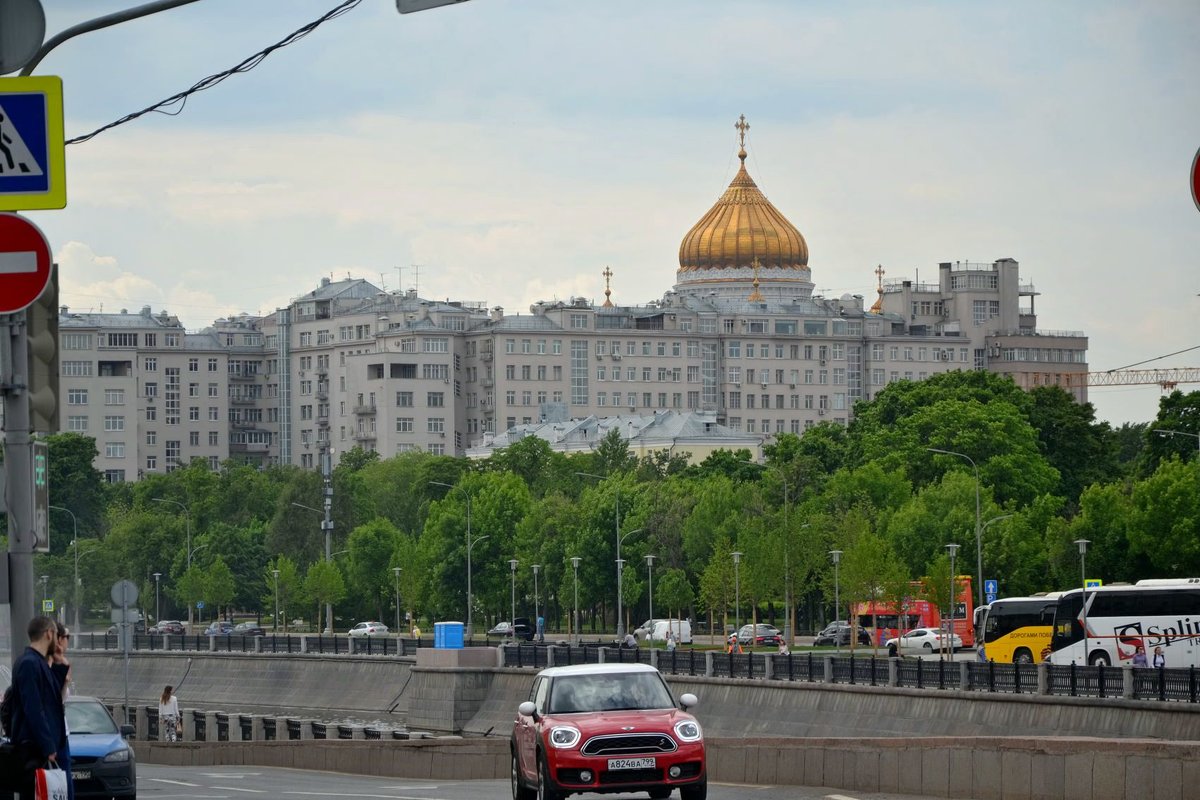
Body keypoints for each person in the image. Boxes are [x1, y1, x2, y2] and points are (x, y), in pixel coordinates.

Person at [8, 616, 68, 799]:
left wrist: (60, 664)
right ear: (49, 634)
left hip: (39, 749)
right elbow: (33, 708)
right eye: (56, 634)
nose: (58, 640)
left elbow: (52, 698)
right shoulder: (29, 664)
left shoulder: (38, 662)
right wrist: (48, 746)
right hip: (33, 750)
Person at [51, 623, 75, 800]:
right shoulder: (50, 666)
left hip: (60, 733)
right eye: (67, 637)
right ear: (58, 639)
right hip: (55, 737)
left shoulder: (60, 665)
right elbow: (54, 702)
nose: (68, 641)